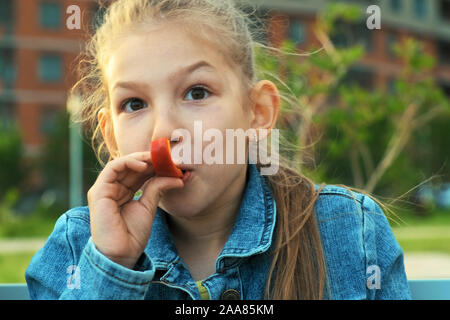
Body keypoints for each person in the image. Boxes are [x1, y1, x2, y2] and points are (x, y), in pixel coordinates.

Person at [25, 0, 411, 300]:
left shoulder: (347, 230)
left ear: (257, 113)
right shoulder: (79, 246)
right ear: (110, 137)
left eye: (197, 93)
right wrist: (111, 268)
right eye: (135, 104)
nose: (163, 131)